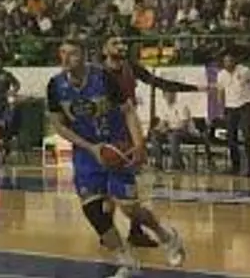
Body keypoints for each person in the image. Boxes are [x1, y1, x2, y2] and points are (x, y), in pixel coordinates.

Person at [47, 42, 184, 278]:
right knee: (93, 210)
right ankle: (126, 261)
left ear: (85, 55)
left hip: (117, 147)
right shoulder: (55, 85)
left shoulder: (103, 78)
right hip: (87, 152)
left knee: (130, 209)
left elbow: (128, 111)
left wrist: (138, 145)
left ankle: (166, 235)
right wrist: (90, 147)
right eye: (62, 53)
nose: (66, 57)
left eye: (72, 53)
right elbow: (58, 125)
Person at [102, 38, 200, 246]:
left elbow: (160, 83)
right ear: (104, 49)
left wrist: (195, 87)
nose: (120, 46)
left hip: (127, 128)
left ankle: (134, 231)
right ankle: (108, 230)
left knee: (131, 181)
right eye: (114, 43)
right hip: (105, 129)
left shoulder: (131, 68)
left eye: (122, 43)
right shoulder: (98, 73)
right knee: (106, 183)